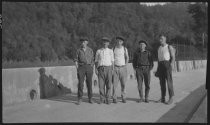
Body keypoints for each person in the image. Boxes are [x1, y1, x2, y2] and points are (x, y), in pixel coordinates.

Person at [156, 34, 175, 105]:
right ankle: (163, 97)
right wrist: (158, 68)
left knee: (169, 82)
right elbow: (159, 59)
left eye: (162, 39)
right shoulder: (159, 48)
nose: (160, 40)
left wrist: (171, 65)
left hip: (167, 64)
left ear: (165, 39)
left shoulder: (169, 47)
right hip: (160, 65)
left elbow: (173, 57)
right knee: (162, 83)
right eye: (160, 39)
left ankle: (171, 98)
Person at [75, 37, 94, 105]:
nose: (82, 43)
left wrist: (91, 67)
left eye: (84, 42)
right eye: (81, 42)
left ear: (87, 42)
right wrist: (77, 68)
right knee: (80, 84)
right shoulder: (78, 50)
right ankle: (79, 98)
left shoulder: (90, 50)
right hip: (81, 67)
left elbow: (92, 60)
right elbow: (76, 60)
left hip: (89, 67)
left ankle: (90, 98)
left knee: (89, 83)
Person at [95, 37, 114, 105]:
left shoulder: (110, 51)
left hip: (108, 68)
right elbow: (96, 61)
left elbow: (112, 61)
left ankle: (108, 99)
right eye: (104, 42)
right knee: (101, 85)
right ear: (102, 43)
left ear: (108, 43)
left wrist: (112, 69)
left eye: (106, 42)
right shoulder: (98, 51)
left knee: (108, 85)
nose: (105, 43)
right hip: (100, 69)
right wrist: (96, 69)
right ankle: (102, 99)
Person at [112, 36, 129, 103]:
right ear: (116, 41)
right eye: (118, 41)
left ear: (122, 42)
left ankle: (123, 97)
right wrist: (112, 68)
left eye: (120, 41)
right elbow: (112, 59)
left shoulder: (124, 49)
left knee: (123, 84)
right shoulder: (113, 49)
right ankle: (114, 97)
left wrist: (126, 65)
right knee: (114, 84)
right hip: (115, 68)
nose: (119, 42)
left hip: (123, 68)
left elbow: (127, 57)